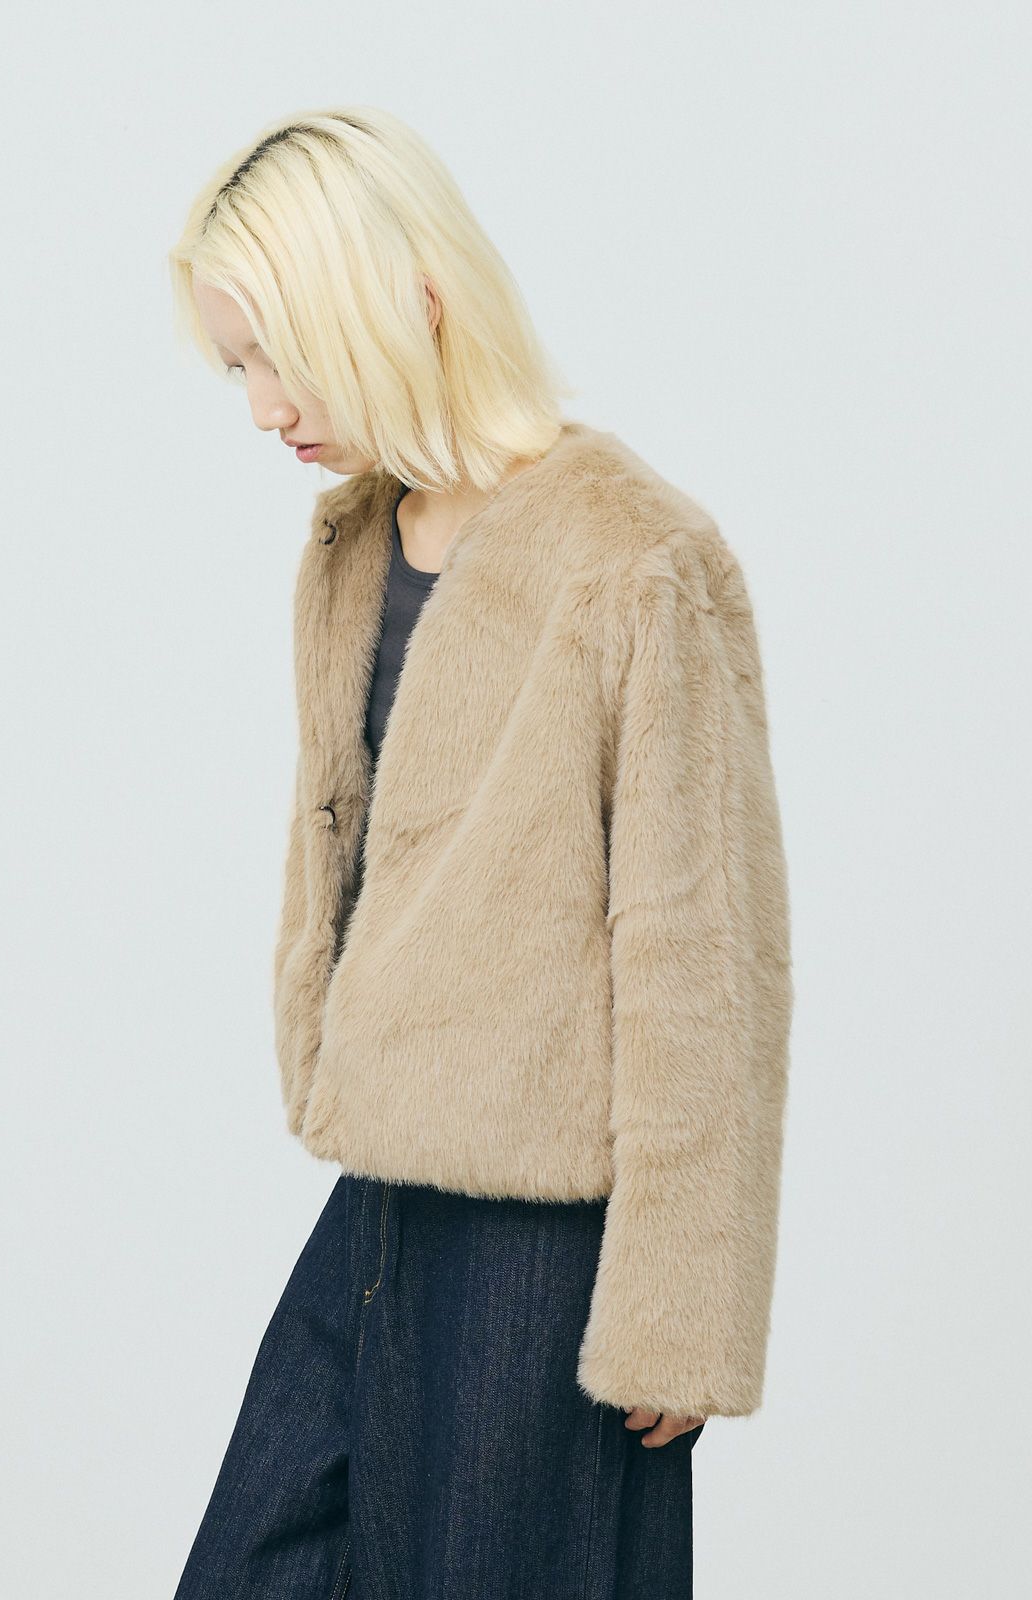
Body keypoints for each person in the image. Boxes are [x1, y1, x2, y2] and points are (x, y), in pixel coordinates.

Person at [166, 104, 792, 1600]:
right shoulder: (355, 544)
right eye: (237, 366)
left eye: (279, 354)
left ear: (413, 300)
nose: (262, 407)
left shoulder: (634, 556)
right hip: (386, 1193)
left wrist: (680, 1310)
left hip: (547, 1243)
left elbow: (703, 947)